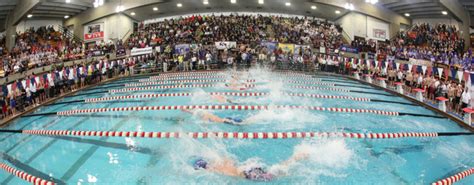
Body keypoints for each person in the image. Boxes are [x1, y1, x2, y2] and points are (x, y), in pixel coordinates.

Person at [192, 145, 310, 181]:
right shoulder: (221, 164)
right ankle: (296, 157)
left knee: (276, 173)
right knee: (277, 171)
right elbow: (230, 159)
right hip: (247, 169)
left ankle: (296, 158)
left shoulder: (216, 168)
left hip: (246, 173)